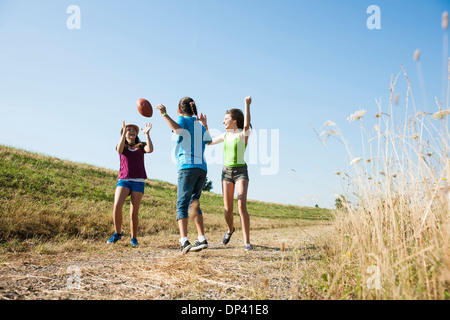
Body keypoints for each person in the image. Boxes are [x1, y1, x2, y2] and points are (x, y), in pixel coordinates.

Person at [156, 97, 212, 254]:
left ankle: (184, 241)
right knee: (194, 203)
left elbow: (177, 129)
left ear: (179, 110)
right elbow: (209, 140)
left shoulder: (183, 120)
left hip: (187, 166)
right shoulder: (198, 125)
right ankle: (201, 239)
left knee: (182, 204)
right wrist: (204, 124)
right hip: (202, 168)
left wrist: (164, 114)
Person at [200, 96, 253, 251]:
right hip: (226, 173)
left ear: (234, 120)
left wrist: (247, 105)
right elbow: (208, 142)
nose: (223, 122)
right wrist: (205, 125)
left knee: (241, 203)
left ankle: (247, 242)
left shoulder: (243, 135)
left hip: (241, 171)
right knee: (228, 210)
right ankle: (230, 229)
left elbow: (247, 124)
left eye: (226, 119)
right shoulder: (225, 136)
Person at [107, 121, 153, 247]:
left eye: (133, 129)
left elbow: (150, 149)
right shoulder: (121, 146)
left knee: (134, 212)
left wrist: (147, 134)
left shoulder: (141, 146)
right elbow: (119, 150)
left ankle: (134, 238)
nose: (131, 131)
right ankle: (117, 233)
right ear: (124, 133)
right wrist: (123, 134)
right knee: (117, 205)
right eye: (128, 129)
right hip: (124, 180)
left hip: (138, 181)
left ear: (137, 133)